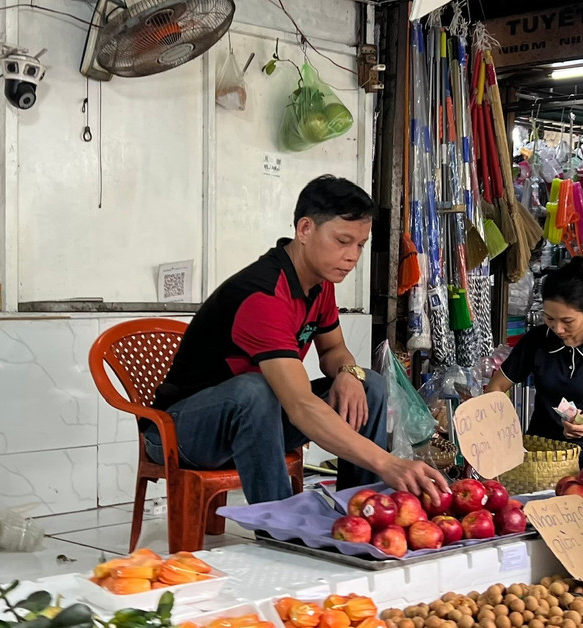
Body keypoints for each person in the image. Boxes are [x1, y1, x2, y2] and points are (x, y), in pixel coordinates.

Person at [145, 175, 448, 505]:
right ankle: (280, 529)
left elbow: (333, 349)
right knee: (255, 390)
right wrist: (388, 462)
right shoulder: (262, 295)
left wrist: (348, 373)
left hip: (260, 423)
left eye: (359, 244)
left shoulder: (320, 283)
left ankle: (364, 514)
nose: (353, 256)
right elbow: (301, 405)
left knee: (369, 385)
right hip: (182, 433)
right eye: (342, 241)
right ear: (305, 229)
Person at [487, 258, 583, 467]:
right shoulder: (537, 340)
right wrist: (500, 426)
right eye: (549, 318)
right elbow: (497, 385)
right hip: (541, 452)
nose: (557, 329)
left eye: (567, 321)